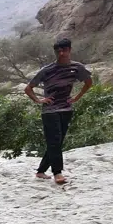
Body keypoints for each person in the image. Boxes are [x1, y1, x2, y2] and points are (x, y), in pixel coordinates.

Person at [25, 37, 93, 185]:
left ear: (69, 50)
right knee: (54, 140)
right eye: (58, 51)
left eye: (64, 50)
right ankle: (57, 173)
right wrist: (39, 100)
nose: (61, 53)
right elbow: (28, 88)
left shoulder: (77, 68)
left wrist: (77, 97)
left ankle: (41, 171)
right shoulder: (47, 70)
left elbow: (88, 82)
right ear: (55, 52)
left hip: (66, 108)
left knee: (57, 142)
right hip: (49, 110)